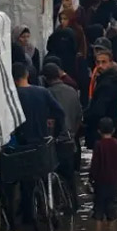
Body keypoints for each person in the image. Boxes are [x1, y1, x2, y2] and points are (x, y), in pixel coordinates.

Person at [11, 62, 65, 225]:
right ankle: (46, 207)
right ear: (27, 74)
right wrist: (55, 133)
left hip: (22, 146)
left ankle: (27, 216)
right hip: (42, 143)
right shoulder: (43, 92)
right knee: (43, 174)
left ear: (12, 79)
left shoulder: (14, 95)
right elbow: (60, 113)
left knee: (24, 181)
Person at [85, 50, 117, 176]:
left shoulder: (108, 82)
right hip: (115, 123)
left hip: (107, 126)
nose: (100, 65)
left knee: (105, 164)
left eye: (104, 62)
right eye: (98, 62)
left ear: (111, 63)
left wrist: (86, 118)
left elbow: (99, 108)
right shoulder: (110, 79)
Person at [43, 63, 82, 207]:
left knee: (52, 178)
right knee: (70, 177)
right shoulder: (72, 91)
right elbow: (79, 117)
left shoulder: (47, 93)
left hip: (54, 142)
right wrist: (73, 134)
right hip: (70, 141)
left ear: (46, 78)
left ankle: (55, 206)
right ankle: (73, 206)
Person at [89, 117, 117, 227]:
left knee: (98, 211)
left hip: (100, 183)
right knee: (112, 213)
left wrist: (91, 179)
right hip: (113, 182)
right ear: (113, 130)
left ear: (99, 131)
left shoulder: (98, 145)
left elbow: (95, 164)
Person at [47, 10, 83, 81]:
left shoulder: (78, 30)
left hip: (73, 61)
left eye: (65, 19)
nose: (62, 21)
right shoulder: (58, 31)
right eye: (61, 19)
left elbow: (81, 46)